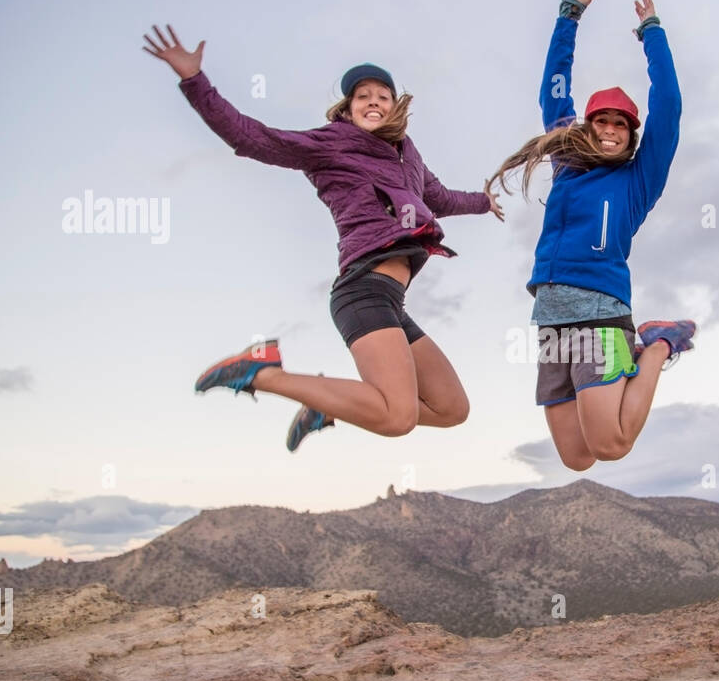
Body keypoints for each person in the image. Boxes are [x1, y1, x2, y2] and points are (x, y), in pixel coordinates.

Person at [142, 25, 503, 451]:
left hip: (391, 301)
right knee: (397, 417)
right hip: (362, 289)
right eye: (362, 96)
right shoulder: (331, 144)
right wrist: (195, 81)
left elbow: (439, 198)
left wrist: (484, 202)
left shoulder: (408, 156)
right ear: (348, 109)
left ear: (394, 108)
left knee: (451, 409)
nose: (373, 101)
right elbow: (251, 137)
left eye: (382, 96)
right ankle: (260, 372)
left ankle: (326, 405)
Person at [488, 0, 695, 471]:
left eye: (620, 124)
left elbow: (668, 105)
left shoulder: (638, 181)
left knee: (612, 445)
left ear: (631, 135)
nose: (609, 130)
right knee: (578, 458)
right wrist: (568, 15)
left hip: (602, 319)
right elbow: (553, 91)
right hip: (551, 322)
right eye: (600, 120)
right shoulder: (568, 163)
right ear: (587, 126)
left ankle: (659, 343)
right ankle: (650, 347)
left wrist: (653, 34)